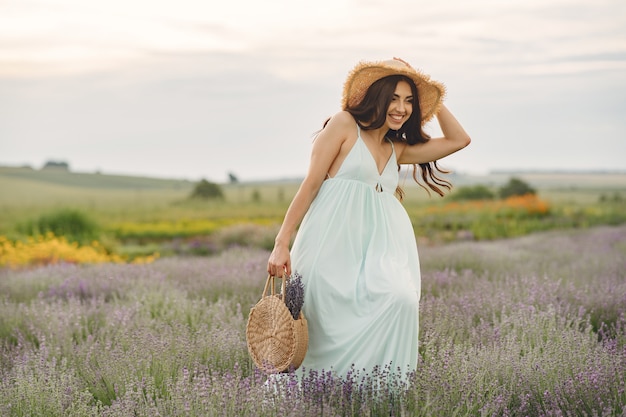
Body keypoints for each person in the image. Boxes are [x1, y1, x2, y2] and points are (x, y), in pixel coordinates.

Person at [267, 57, 470, 379]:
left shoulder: (397, 149)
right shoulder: (344, 123)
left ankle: (380, 393)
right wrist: (281, 243)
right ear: (375, 97)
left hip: (379, 251)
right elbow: (310, 184)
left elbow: (460, 140)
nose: (402, 108)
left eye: (409, 101)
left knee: (400, 299)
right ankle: (321, 396)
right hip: (329, 245)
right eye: (393, 98)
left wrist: (429, 91)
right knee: (326, 327)